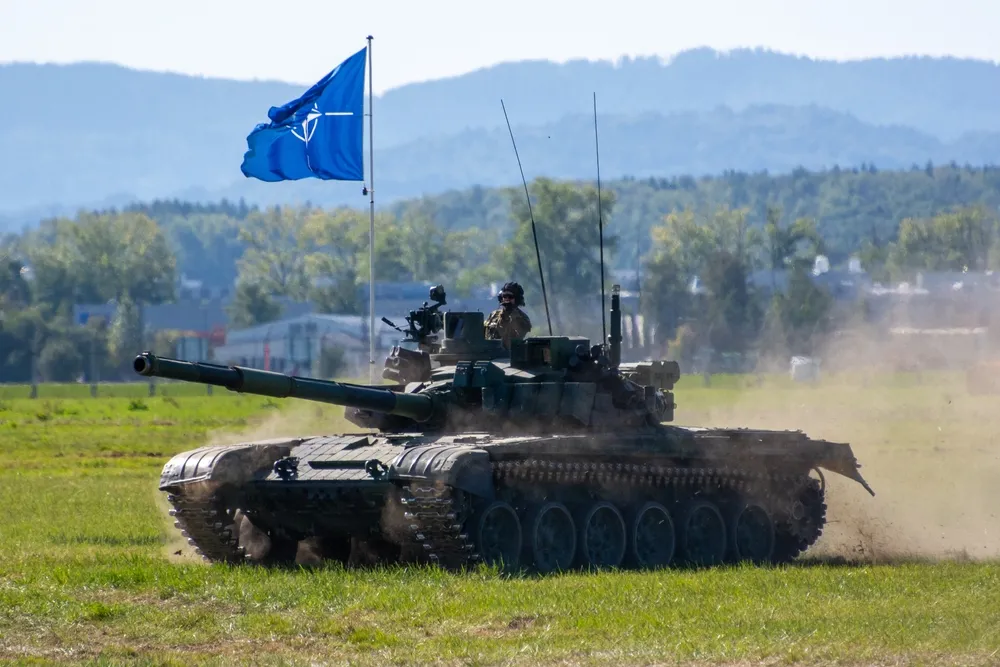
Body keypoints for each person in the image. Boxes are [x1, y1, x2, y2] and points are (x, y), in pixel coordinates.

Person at [485, 281, 532, 348]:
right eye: (504, 296)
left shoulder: (522, 318)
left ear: (517, 299)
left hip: (511, 354)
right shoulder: (493, 315)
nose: (507, 299)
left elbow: (520, 334)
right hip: (491, 353)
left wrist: (511, 316)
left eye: (510, 297)